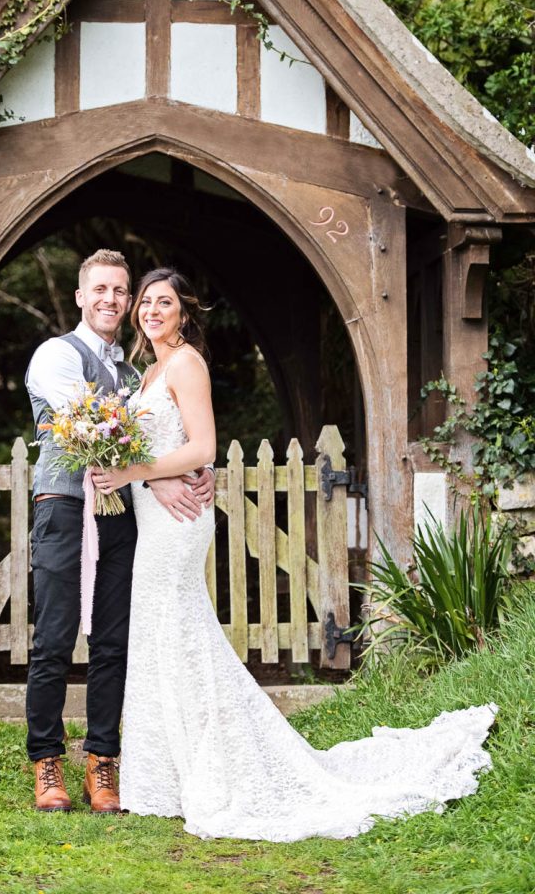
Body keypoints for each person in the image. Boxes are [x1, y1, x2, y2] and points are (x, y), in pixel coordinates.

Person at [91, 267, 497, 842]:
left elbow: (203, 446)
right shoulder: (149, 369)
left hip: (179, 522)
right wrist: (141, 473)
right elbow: (172, 446)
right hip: (157, 513)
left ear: (185, 312)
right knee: (162, 633)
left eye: (165, 302)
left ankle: (209, 768)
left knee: (175, 628)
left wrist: (132, 472)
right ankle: (162, 774)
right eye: (147, 303)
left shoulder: (185, 363)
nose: (152, 311)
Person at [24, 249, 215, 814]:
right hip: (64, 505)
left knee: (112, 642)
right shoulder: (55, 356)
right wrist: (154, 478)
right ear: (82, 296)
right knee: (55, 638)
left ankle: (103, 764)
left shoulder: (139, 372)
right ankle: (47, 764)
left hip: (122, 517)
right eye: (100, 290)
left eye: (119, 291)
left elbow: (162, 434)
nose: (111, 300)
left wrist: (192, 471)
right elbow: (86, 429)